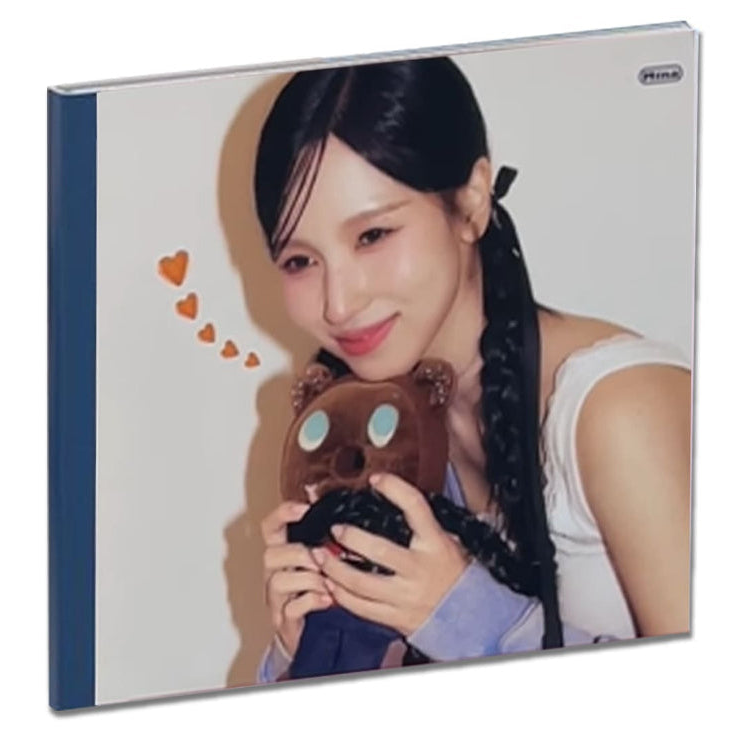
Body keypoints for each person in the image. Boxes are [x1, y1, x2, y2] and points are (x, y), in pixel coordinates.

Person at [251, 58, 692, 682]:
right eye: (300, 260)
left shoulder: (620, 408)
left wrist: (465, 617)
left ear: (471, 201)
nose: (338, 303)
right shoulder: (385, 434)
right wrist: (302, 654)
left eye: (373, 235)